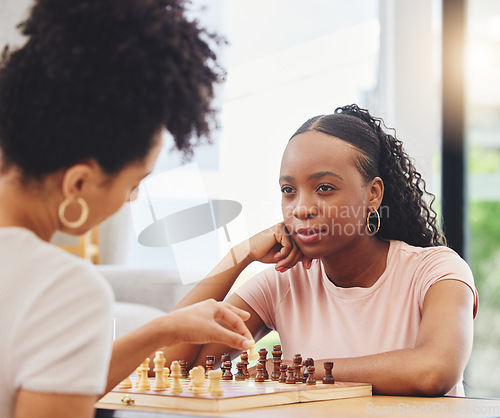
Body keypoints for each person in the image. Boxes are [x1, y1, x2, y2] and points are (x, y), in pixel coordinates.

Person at [0, 0, 254, 417]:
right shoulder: (62, 288)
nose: (130, 200)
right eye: (134, 184)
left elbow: (53, 377)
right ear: (78, 182)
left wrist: (164, 328)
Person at [163, 104, 478, 397]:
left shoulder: (436, 271)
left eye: (324, 188)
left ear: (373, 194)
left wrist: (296, 370)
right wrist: (238, 256)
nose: (301, 208)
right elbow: (168, 367)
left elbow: (434, 371)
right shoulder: (283, 282)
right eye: (289, 191)